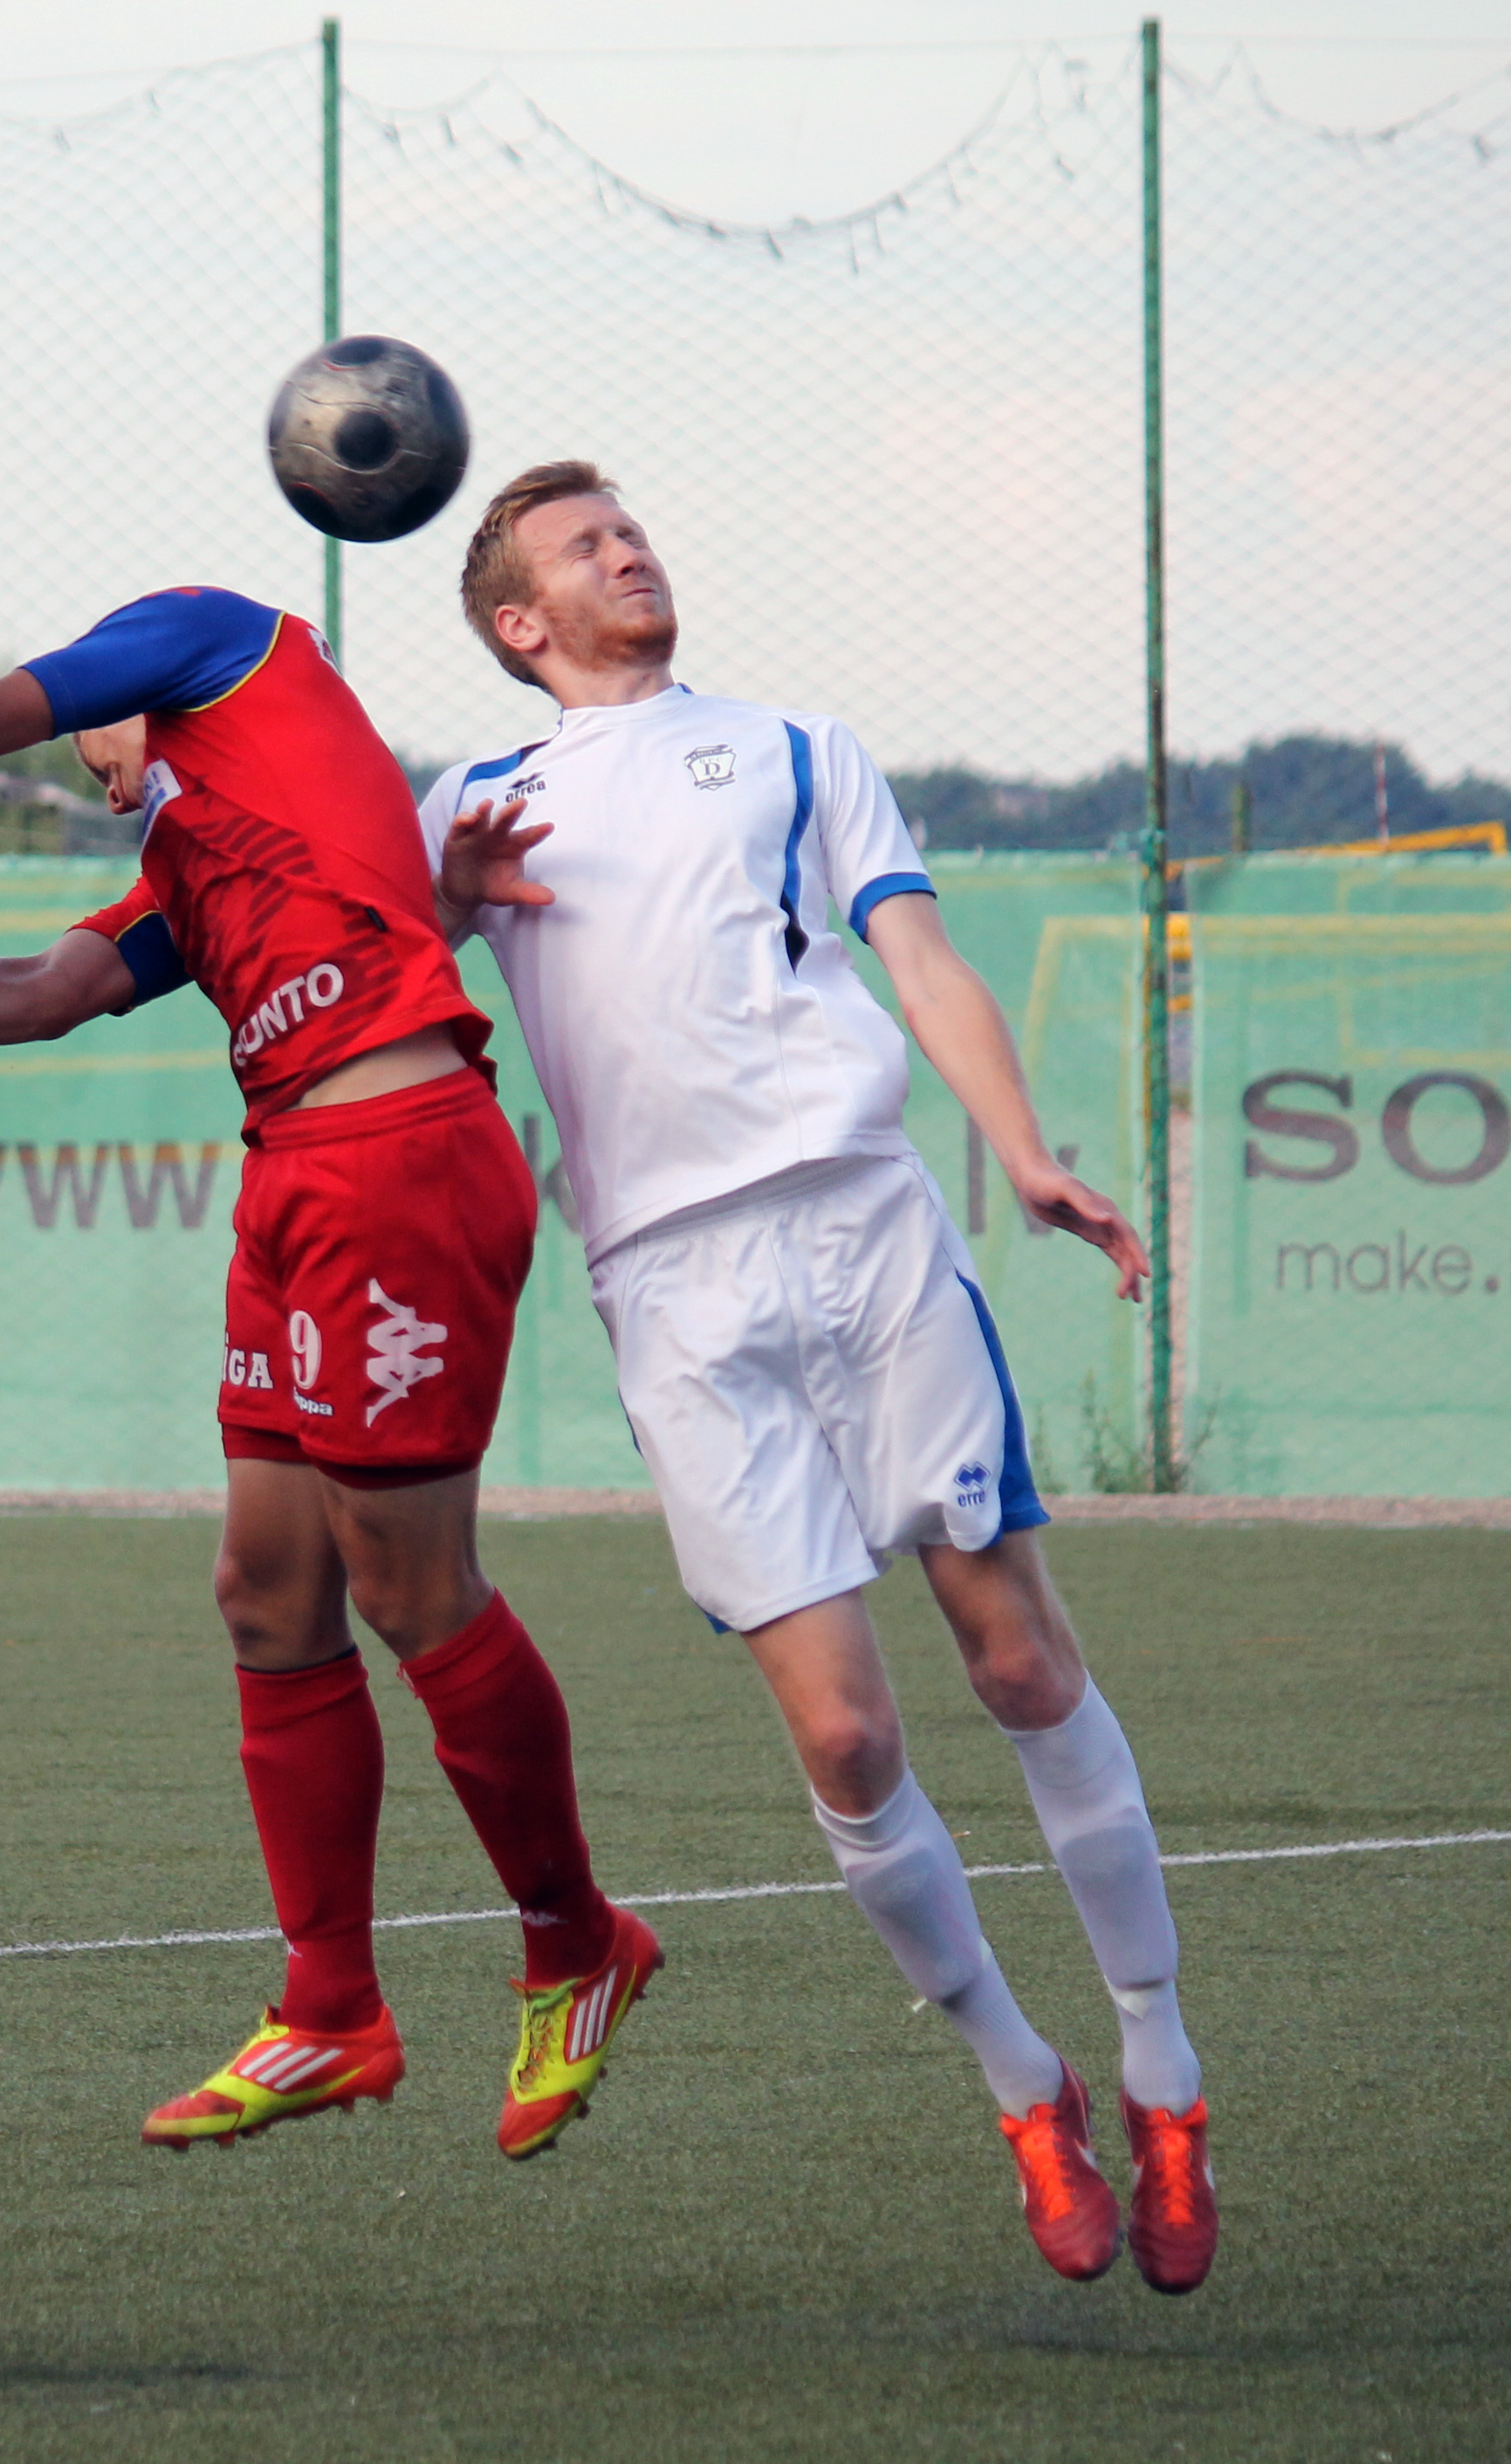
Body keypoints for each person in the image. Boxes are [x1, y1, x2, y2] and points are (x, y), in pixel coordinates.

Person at [417, 460, 1216, 2292]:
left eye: (630, 527)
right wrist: (441, 896)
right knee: (847, 1738)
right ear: (519, 625)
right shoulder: (472, 804)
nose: (628, 548)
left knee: (1016, 1658)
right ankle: (1021, 2086)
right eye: (581, 545)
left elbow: (918, 961)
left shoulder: (794, 747)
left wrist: (1020, 1150)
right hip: (669, 1286)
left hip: (865, 1224)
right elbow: (370, 954)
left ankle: (1162, 2068)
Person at [0, 586, 658, 2157]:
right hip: (293, 1174)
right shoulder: (192, 861)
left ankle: (579, 1941)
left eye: (94, 738)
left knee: (411, 1587)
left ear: (120, 694)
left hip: (399, 1158)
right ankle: (330, 2010)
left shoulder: (221, 639)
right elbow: (46, 993)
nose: (97, 771)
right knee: (266, 1590)